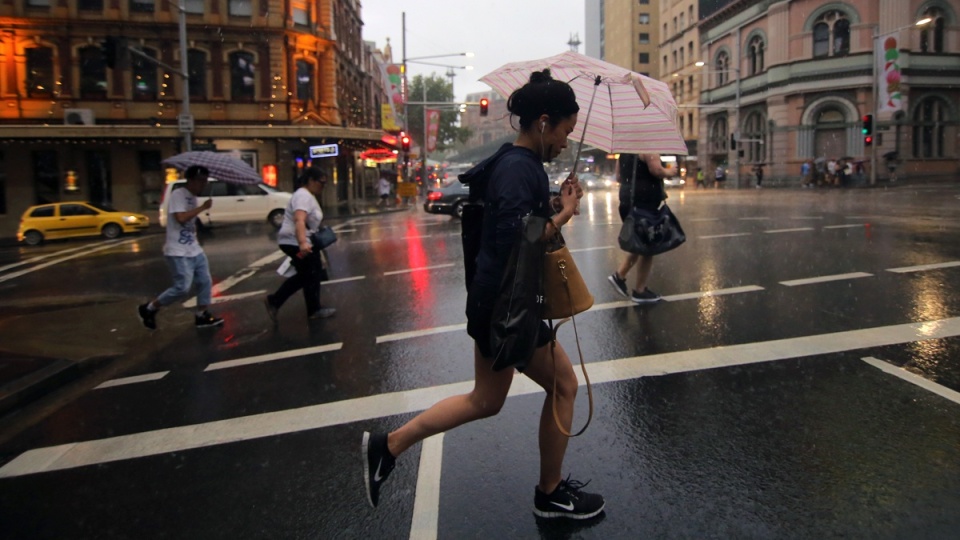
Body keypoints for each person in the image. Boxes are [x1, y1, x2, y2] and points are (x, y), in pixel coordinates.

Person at [361, 69, 605, 520]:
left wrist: (549, 206)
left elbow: (512, 228)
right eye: (566, 131)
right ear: (544, 122)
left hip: (494, 303)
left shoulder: (515, 165)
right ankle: (549, 493)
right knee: (565, 387)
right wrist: (565, 213)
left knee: (485, 401)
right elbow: (519, 242)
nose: (567, 142)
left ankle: (389, 445)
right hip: (508, 308)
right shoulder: (518, 169)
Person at [138, 165, 223, 330]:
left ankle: (201, 315)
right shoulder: (179, 194)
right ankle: (149, 308)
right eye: (201, 181)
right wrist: (203, 208)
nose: (203, 184)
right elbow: (181, 218)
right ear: (191, 180)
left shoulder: (193, 197)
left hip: (194, 248)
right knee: (182, 287)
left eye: (205, 181)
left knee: (205, 281)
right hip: (178, 250)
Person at [264, 167, 335, 322]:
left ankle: (280, 302)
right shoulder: (303, 196)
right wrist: (302, 242)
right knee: (309, 274)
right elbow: (299, 219)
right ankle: (280, 302)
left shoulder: (307, 195)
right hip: (295, 242)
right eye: (321, 183)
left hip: (301, 241)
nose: (323, 186)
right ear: (310, 180)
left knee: (310, 274)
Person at [608, 153, 669, 303]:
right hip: (643, 203)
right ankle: (639, 290)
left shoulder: (623, 153)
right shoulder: (647, 148)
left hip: (627, 200)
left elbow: (619, 178)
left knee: (639, 242)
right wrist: (669, 171)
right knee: (648, 246)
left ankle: (620, 277)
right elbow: (656, 170)